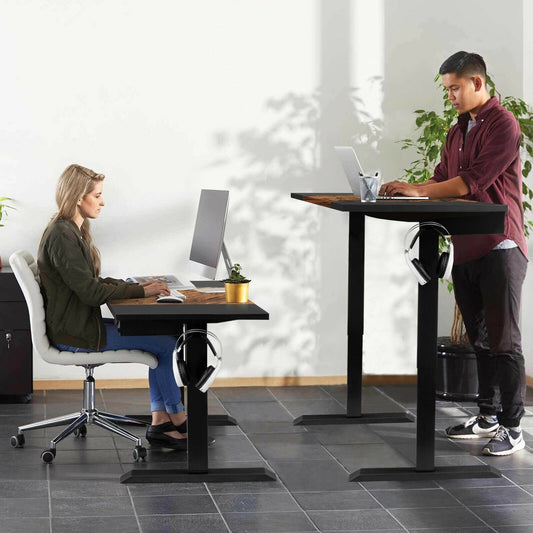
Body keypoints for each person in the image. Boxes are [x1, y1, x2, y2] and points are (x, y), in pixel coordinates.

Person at [380, 51, 528, 456]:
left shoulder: (503, 124)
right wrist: (407, 189)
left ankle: (513, 428)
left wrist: (419, 190)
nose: (451, 97)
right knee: (479, 339)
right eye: (447, 90)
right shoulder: (456, 129)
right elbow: (442, 179)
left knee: (504, 341)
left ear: (478, 83)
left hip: (500, 244)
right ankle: (487, 416)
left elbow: (471, 182)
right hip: (465, 246)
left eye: (455, 88)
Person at [38, 164, 188, 451]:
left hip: (78, 326)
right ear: (78, 197)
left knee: (162, 339)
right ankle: (176, 419)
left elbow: (89, 282)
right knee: (165, 343)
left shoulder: (70, 231)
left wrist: (134, 285)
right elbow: (91, 292)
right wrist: (140, 289)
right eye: (97, 195)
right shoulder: (62, 236)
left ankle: (162, 421)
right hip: (75, 335)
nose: (102, 201)